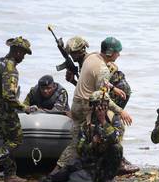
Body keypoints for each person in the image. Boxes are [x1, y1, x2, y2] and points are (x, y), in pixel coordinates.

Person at [53, 37, 132, 172]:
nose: (119, 55)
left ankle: (64, 168)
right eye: (117, 52)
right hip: (86, 107)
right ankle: (58, 170)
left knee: (79, 138)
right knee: (79, 141)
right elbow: (103, 97)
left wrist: (113, 88)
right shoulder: (103, 70)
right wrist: (121, 111)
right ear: (110, 53)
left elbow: (97, 82)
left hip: (77, 104)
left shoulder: (91, 57)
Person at [38, 91, 123, 182]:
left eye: (103, 105)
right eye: (97, 105)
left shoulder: (114, 119)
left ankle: (107, 179)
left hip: (107, 161)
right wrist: (93, 144)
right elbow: (80, 149)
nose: (100, 108)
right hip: (91, 161)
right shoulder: (87, 124)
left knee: (117, 148)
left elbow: (115, 139)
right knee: (72, 168)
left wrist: (103, 121)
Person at [0, 36, 32, 182]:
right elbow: (9, 96)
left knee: (8, 141)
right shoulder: (11, 69)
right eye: (23, 53)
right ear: (17, 51)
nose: (23, 57)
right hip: (4, 109)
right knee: (16, 140)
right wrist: (25, 107)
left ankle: (10, 175)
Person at [106, 62, 139, 175]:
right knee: (118, 128)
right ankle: (118, 162)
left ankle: (119, 160)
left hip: (109, 106)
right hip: (105, 107)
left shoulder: (121, 86)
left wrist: (119, 112)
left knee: (118, 127)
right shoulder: (114, 82)